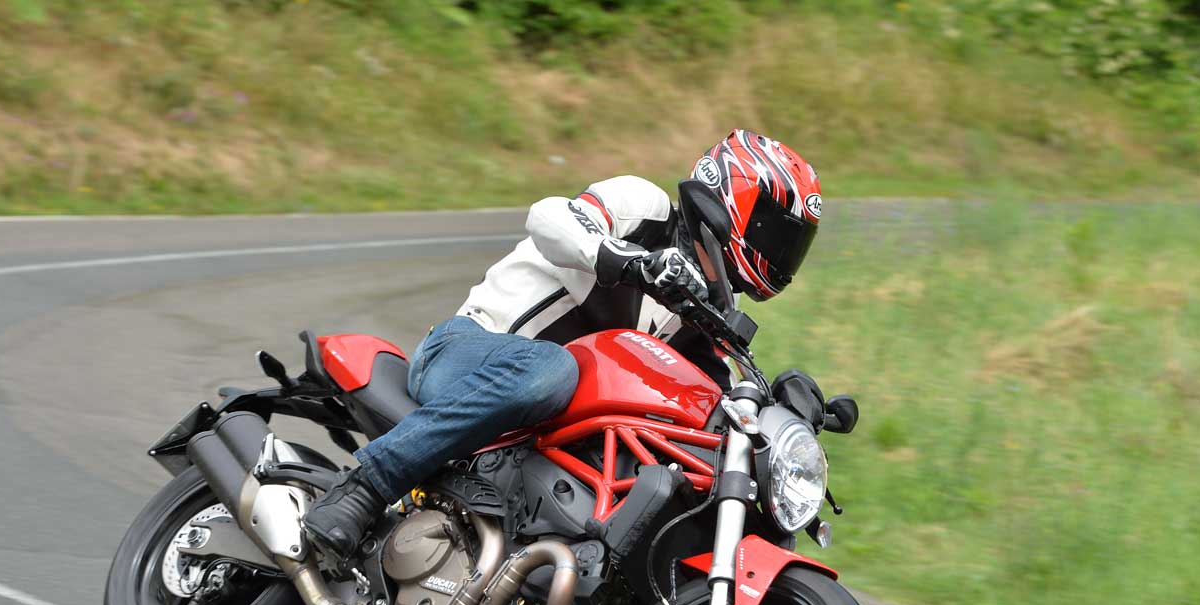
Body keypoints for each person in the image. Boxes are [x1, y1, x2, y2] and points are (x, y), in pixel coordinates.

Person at [303, 129, 823, 561]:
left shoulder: (707, 308)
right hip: (467, 350)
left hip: (545, 430)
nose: (782, 254)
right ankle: (366, 486)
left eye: (792, 245)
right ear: (731, 200)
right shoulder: (644, 209)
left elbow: (711, 403)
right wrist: (632, 263)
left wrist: (778, 411)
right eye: (776, 234)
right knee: (553, 369)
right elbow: (551, 217)